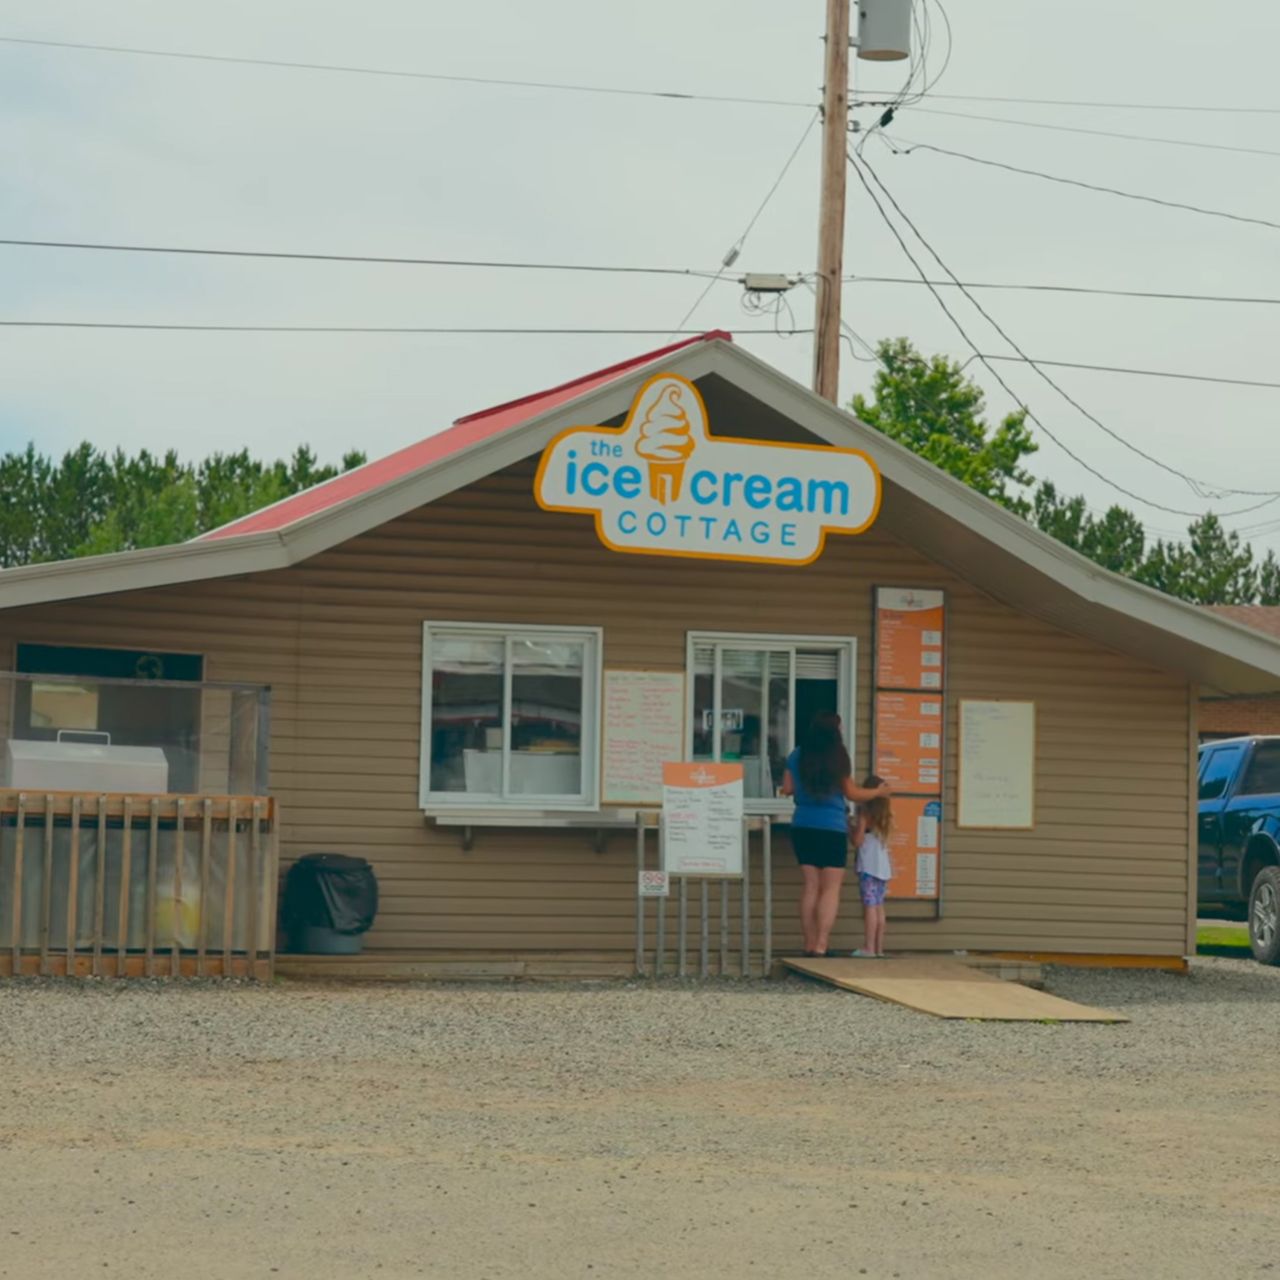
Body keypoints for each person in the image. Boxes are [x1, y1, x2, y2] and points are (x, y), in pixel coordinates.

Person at [781, 714, 891, 957]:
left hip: (803, 825)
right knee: (830, 889)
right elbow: (852, 793)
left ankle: (808, 943)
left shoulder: (796, 755)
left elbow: (787, 788)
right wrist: (877, 792)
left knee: (810, 886)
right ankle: (821, 944)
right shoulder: (838, 758)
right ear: (835, 732)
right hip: (831, 827)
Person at [850, 776, 894, 958]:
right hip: (883, 868)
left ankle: (868, 948)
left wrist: (850, 827)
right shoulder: (886, 816)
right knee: (879, 907)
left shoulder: (865, 814)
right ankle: (879, 948)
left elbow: (858, 841)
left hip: (868, 866)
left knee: (869, 906)